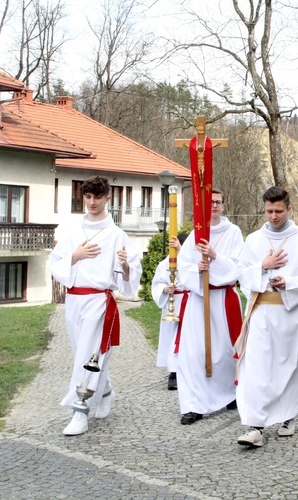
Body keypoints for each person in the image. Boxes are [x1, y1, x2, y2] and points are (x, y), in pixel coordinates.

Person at [49, 175, 142, 436]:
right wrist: (74, 257)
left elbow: (130, 273)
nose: (91, 202)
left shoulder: (116, 234)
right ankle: (107, 390)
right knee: (81, 352)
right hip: (74, 300)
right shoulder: (71, 230)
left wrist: (124, 266)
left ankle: (80, 411)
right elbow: (55, 262)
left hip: (99, 302)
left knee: (89, 356)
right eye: (87, 197)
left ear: (107, 199)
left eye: (97, 197)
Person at [234, 187, 298, 447]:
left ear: (289, 209)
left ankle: (289, 416)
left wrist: (289, 282)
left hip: (291, 313)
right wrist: (262, 267)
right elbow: (241, 273)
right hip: (262, 312)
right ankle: (255, 426)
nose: (273, 216)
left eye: (278, 211)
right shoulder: (253, 240)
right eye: (269, 211)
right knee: (258, 369)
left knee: (290, 367)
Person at [175, 189, 243, 425]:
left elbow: (238, 266)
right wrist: (198, 270)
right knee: (193, 352)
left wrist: (215, 257)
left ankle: (229, 393)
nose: (213, 206)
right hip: (197, 298)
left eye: (217, 202)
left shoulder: (233, 232)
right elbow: (183, 266)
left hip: (222, 299)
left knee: (224, 351)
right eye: (209, 202)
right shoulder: (196, 232)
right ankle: (193, 404)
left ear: (223, 205)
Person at [151, 233, 189, 390]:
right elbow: (156, 284)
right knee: (171, 338)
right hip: (173, 304)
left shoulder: (189, 262)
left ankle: (188, 370)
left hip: (189, 302)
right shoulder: (164, 264)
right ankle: (173, 373)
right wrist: (165, 288)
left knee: (188, 338)